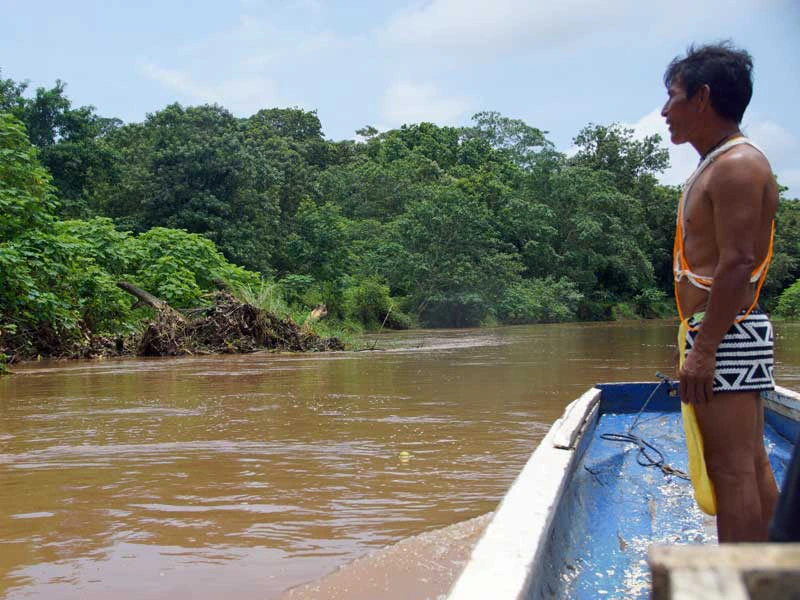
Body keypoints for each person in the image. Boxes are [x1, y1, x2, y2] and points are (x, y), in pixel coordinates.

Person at [662, 42, 779, 542]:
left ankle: (743, 587)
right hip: (723, 329)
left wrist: (704, 349)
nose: (666, 111)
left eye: (673, 96)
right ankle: (779, 573)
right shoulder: (717, 163)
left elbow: (737, 263)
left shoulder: (736, 165)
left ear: (703, 97)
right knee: (747, 464)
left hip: (725, 331)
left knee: (731, 473)